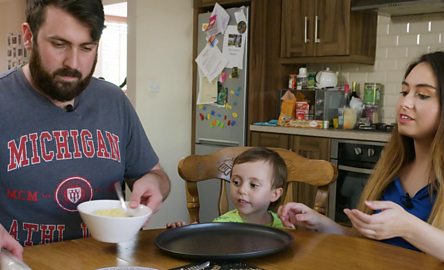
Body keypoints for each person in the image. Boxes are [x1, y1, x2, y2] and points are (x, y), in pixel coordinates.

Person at [0, 0, 170, 260]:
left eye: (87, 47)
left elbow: (155, 175)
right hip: (23, 262)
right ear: (28, 36)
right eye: (59, 45)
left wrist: (155, 183)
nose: (74, 63)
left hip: (110, 260)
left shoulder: (114, 101)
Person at [278, 51, 444, 269]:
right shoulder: (395, 165)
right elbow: (369, 243)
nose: (405, 102)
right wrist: (320, 223)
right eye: (404, 92)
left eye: (422, 95)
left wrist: (408, 227)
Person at [167, 147, 286, 229]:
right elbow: (202, 247)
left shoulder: (284, 225)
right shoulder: (222, 225)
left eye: (253, 185)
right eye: (236, 182)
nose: (242, 190)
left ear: (274, 194)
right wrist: (183, 234)